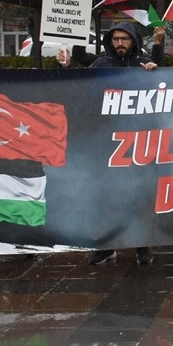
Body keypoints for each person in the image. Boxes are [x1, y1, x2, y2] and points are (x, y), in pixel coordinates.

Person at [58, 22, 158, 266]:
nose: (120, 43)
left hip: (135, 141)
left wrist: (156, 75)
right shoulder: (101, 65)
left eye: (125, 38)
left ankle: (140, 245)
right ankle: (106, 246)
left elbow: (164, 95)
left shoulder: (143, 64)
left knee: (137, 194)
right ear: (109, 42)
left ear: (134, 40)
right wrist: (67, 67)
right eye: (116, 39)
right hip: (105, 142)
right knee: (105, 196)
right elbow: (78, 88)